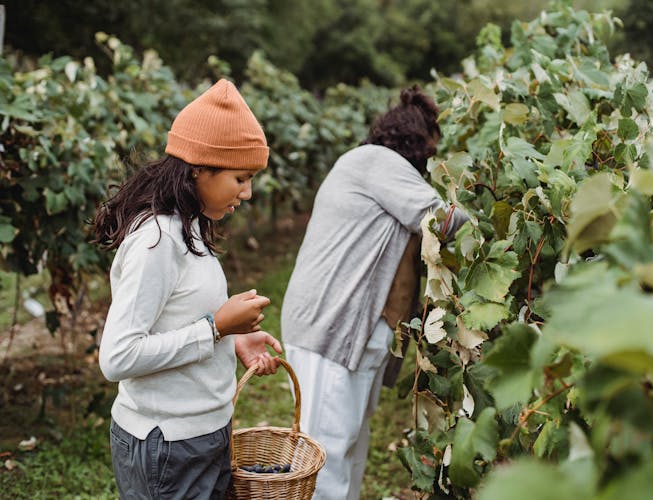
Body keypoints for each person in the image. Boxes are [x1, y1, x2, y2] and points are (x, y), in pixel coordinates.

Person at [93, 79, 282, 499]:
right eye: (240, 178)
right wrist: (215, 328)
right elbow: (118, 356)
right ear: (199, 168)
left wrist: (232, 338)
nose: (247, 193)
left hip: (204, 433)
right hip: (166, 446)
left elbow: (178, 315)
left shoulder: (190, 226)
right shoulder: (156, 241)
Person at [280, 85, 469, 500]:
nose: (430, 163)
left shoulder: (372, 165)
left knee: (348, 446)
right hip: (331, 326)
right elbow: (442, 220)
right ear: (413, 143)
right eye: (429, 152)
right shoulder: (377, 162)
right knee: (324, 457)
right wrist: (490, 227)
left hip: (353, 327)